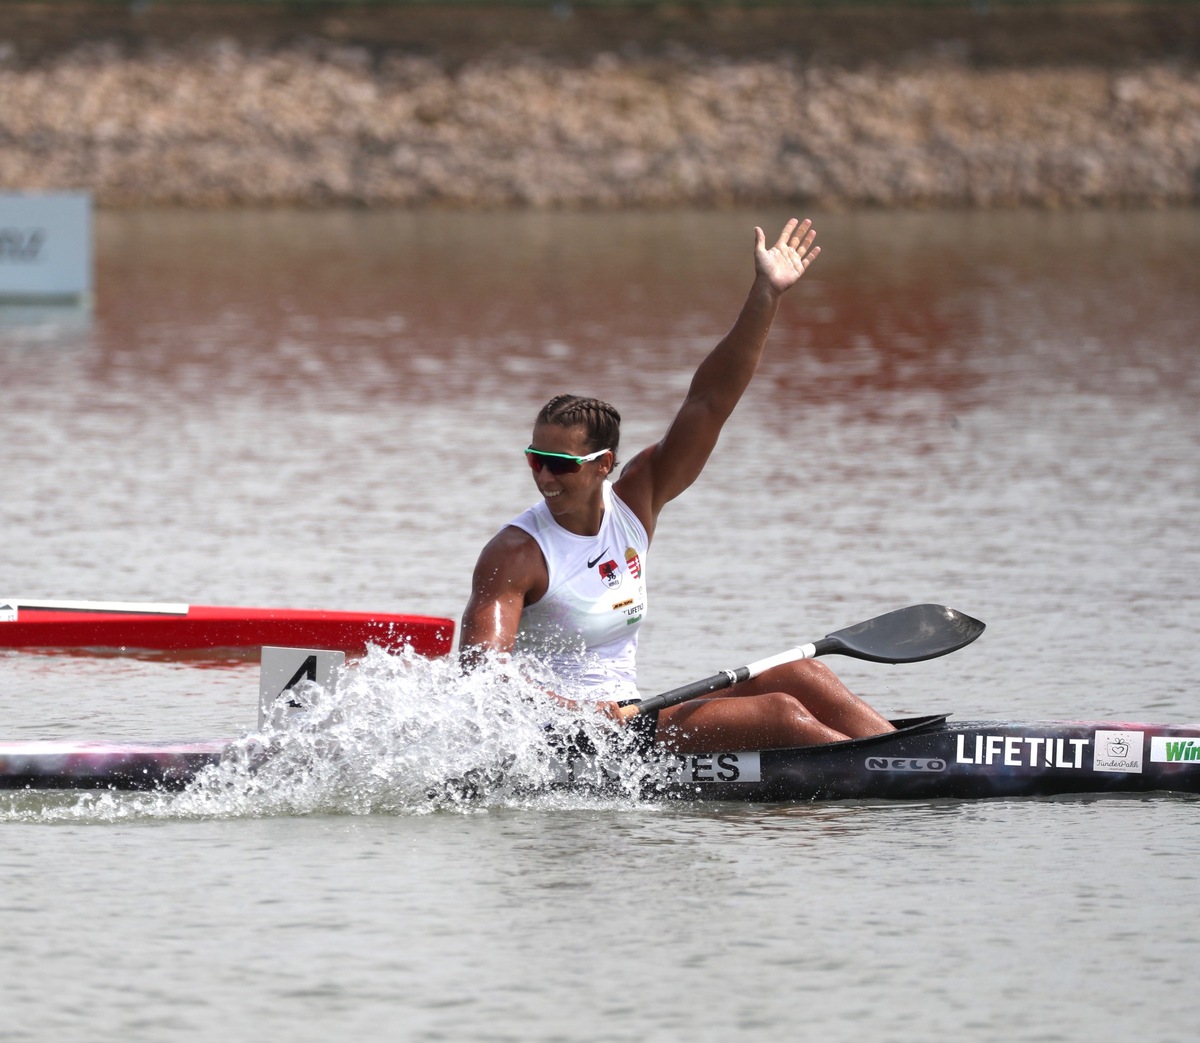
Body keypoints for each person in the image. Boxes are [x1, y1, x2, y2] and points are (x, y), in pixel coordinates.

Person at [460, 218, 895, 754]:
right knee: (780, 715)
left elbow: (709, 402)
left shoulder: (637, 501)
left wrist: (766, 296)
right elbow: (481, 676)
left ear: (604, 464)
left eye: (561, 464)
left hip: (632, 720)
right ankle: (882, 771)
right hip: (564, 741)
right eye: (536, 461)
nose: (545, 476)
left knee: (802, 675)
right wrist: (575, 709)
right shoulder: (517, 553)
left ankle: (901, 754)